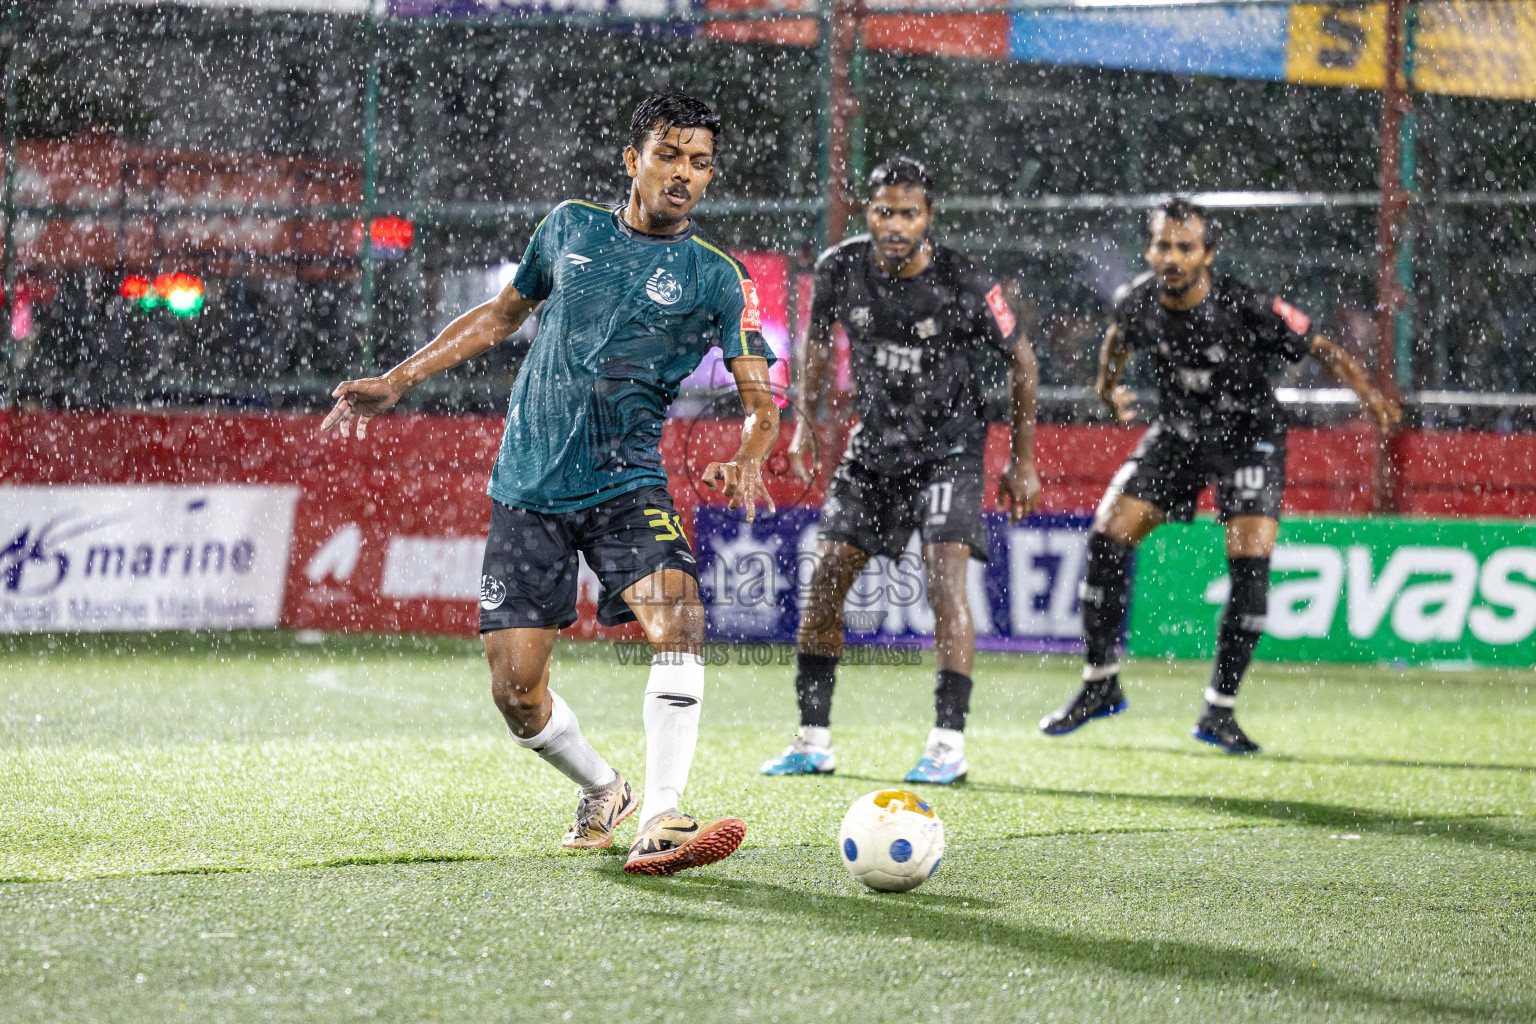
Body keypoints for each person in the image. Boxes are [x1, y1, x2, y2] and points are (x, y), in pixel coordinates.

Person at [321, 92, 779, 874]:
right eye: (669, 155)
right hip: (528, 485)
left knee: (681, 622)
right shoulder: (568, 227)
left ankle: (663, 817)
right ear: (633, 161)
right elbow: (500, 317)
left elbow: (760, 401)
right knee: (518, 696)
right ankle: (607, 788)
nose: (684, 174)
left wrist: (749, 453)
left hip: (626, 483)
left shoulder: (717, 277)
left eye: (700, 163)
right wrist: (400, 378)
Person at [1040, 197, 1400, 754]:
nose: (1173, 258)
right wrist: (1106, 388)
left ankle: (1219, 710)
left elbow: (1321, 346)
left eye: (1186, 247)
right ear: (1149, 249)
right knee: (1107, 538)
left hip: (1248, 439)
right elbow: (1117, 338)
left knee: (1250, 568)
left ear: (1207, 253)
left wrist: (1370, 396)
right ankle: (1100, 682)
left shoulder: (1246, 305)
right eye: (1164, 245)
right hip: (1179, 436)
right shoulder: (1136, 302)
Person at [760, 156, 1042, 785]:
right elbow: (813, 340)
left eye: (908, 213)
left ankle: (947, 746)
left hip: (950, 452)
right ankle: (812, 740)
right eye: (884, 210)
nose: (894, 224)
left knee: (945, 584)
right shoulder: (839, 268)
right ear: (869, 212)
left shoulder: (964, 282)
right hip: (874, 451)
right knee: (827, 578)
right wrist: (804, 422)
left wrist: (1022, 463)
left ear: (928, 218)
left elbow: (1022, 361)